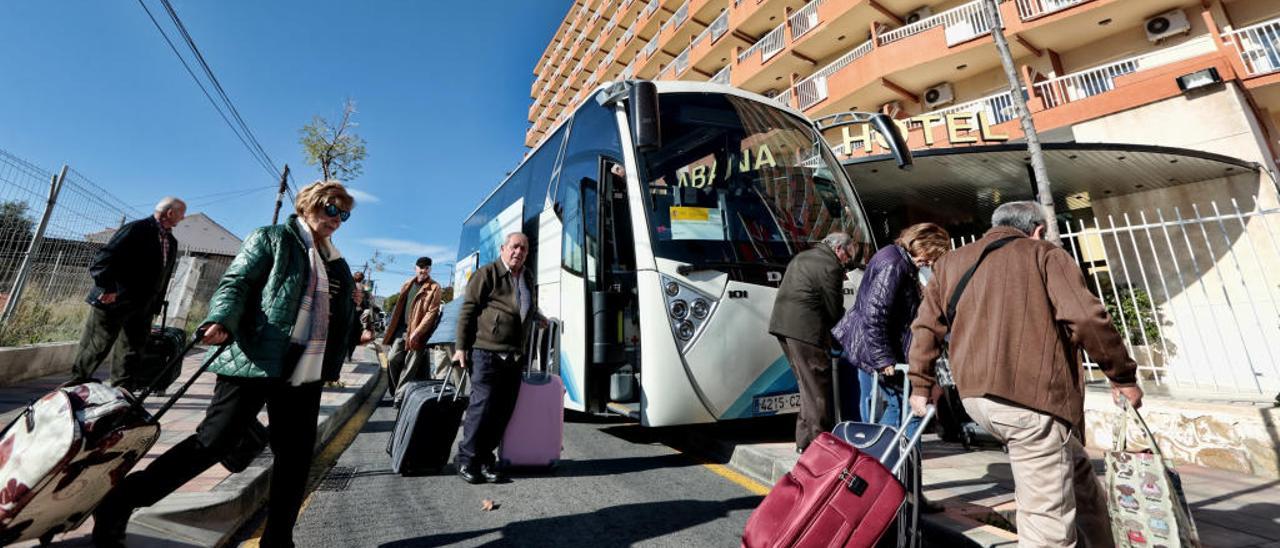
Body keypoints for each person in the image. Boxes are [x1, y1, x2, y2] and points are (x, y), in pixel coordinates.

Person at [93, 181, 356, 548]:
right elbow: (238, 282)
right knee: (213, 441)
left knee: (295, 455)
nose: (337, 220)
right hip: (255, 354)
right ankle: (119, 502)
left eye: (344, 214)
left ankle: (279, 539)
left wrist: (352, 335)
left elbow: (342, 310)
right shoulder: (272, 238)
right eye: (332, 209)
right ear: (309, 205)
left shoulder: (335, 260)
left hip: (304, 367)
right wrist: (220, 318)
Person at [907, 201, 1143, 548]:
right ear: (1037, 230)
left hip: (977, 397)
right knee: (1046, 521)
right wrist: (1121, 376)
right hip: (1030, 401)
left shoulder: (951, 263)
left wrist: (920, 384)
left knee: (1080, 481)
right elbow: (1088, 319)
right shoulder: (1044, 254)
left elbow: (925, 326)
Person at [834, 223, 950, 438]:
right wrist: (883, 358)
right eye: (932, 255)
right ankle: (899, 462)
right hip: (879, 350)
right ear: (922, 245)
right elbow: (875, 314)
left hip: (873, 346)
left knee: (892, 408)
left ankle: (886, 459)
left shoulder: (895, 258)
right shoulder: (894, 265)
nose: (931, 261)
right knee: (907, 410)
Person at [71, 197, 185, 391]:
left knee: (132, 350)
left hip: (143, 305)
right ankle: (75, 387)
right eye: (181, 214)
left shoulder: (171, 241)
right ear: (170, 213)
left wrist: (156, 304)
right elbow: (103, 259)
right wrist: (107, 288)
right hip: (114, 299)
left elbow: (163, 276)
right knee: (96, 346)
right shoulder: (137, 229)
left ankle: (122, 392)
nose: (182, 219)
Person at [453, 233, 536, 484]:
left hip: (514, 355)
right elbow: (468, 310)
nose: (518, 252)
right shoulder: (487, 273)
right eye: (514, 247)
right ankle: (467, 460)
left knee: (502, 412)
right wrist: (460, 347)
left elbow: (524, 305)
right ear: (503, 248)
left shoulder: (527, 276)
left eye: (523, 248)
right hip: (486, 352)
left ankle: (486, 460)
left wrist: (537, 317)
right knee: (482, 409)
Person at [768, 232, 860, 452]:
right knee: (818, 385)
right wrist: (844, 334)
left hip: (783, 327)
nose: (847, 262)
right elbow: (833, 307)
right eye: (848, 256)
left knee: (806, 384)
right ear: (839, 249)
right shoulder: (831, 265)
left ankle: (804, 441)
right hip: (806, 331)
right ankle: (820, 443)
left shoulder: (802, 256)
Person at [382, 256, 443, 403]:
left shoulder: (435, 287)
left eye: (427, 267)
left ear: (430, 269)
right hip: (401, 329)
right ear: (415, 268)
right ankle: (396, 390)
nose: (423, 270)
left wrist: (418, 332)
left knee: (410, 365)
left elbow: (431, 312)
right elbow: (399, 308)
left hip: (419, 332)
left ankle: (400, 396)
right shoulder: (407, 284)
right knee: (392, 359)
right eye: (421, 267)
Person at [346, 271, 370, 361]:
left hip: (348, 313)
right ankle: (349, 355)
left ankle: (344, 355)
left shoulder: (349, 284)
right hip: (359, 315)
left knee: (346, 334)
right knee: (354, 336)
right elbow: (369, 301)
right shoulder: (365, 288)